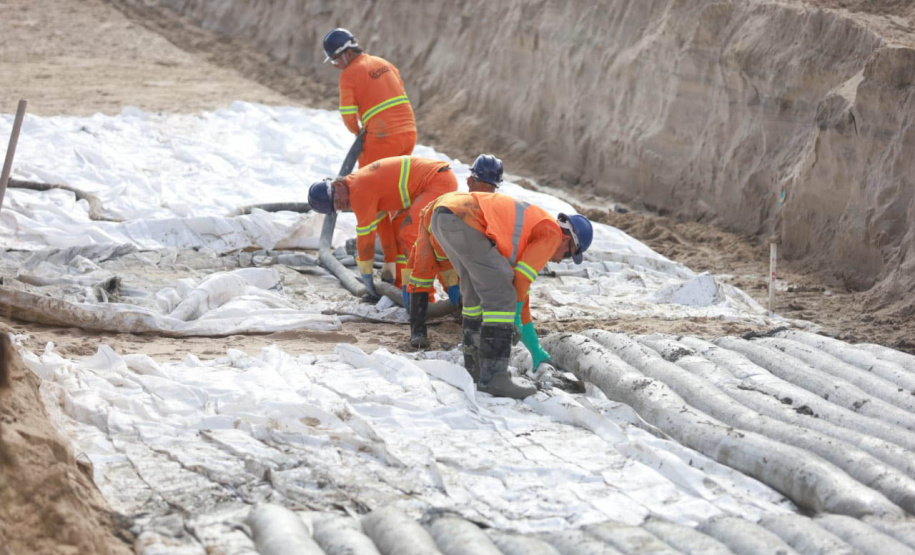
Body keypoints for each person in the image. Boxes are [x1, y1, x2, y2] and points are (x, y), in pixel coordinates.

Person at [422, 191, 593, 399]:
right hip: (463, 220)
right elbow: (517, 286)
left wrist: (535, 349)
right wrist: (511, 317)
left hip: (446, 217)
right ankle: (495, 378)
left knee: (475, 294)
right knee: (502, 295)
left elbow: (522, 292)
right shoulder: (552, 233)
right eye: (569, 253)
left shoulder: (531, 234)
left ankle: (474, 367)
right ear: (567, 238)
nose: (561, 260)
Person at [323, 28, 417, 283]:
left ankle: (390, 265)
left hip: (382, 139)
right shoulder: (383, 63)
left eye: (334, 61)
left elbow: (348, 115)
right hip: (408, 132)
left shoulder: (349, 74)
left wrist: (359, 134)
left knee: (376, 202)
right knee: (399, 199)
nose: (335, 67)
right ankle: (404, 266)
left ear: (344, 54)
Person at [307, 156, 457, 300]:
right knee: (400, 231)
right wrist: (390, 263)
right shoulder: (366, 192)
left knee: (410, 232)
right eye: (336, 208)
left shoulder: (358, 191)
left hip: (437, 181)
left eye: (337, 200)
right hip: (427, 186)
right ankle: (402, 285)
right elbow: (386, 231)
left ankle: (424, 294)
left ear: (338, 185)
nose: (340, 206)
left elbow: (366, 238)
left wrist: (366, 273)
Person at [403, 154, 504, 349]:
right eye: (482, 184)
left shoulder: (490, 208)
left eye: (490, 187)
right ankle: (417, 330)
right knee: (422, 272)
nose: (486, 190)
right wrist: (452, 283)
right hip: (431, 220)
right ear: (469, 181)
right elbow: (443, 252)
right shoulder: (455, 208)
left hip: (448, 237)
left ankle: (468, 312)